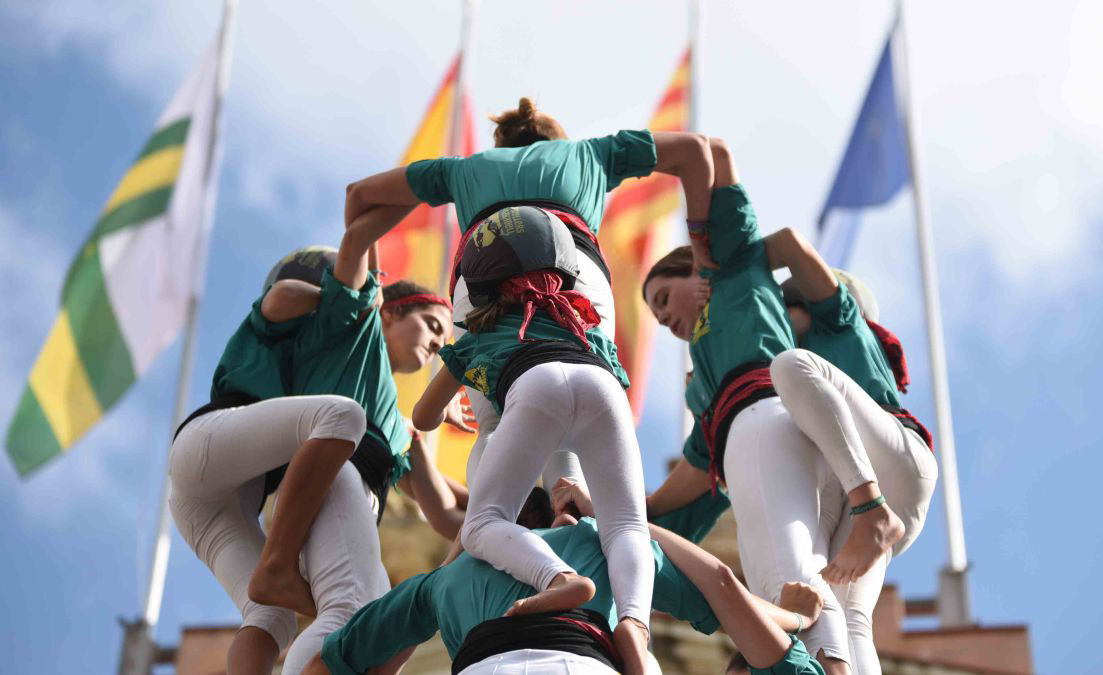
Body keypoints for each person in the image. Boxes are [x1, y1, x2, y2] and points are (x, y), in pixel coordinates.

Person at [343, 97, 716, 492]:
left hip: (481, 279)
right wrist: (703, 250)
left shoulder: (463, 169)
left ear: (503, 145)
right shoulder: (592, 153)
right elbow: (695, 150)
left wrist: (373, 291)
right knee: (574, 410)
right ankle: (570, 509)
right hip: (573, 270)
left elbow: (358, 196)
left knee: (493, 423)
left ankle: (494, 525)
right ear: (556, 138)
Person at [411, 205, 655, 673]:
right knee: (626, 525)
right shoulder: (582, 321)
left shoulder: (478, 336)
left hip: (534, 385)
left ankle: (559, 578)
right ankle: (634, 623)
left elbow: (423, 417)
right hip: (600, 386)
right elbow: (609, 380)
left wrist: (452, 405)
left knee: (481, 524)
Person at [640, 140, 851, 674]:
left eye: (663, 299)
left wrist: (704, 244)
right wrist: (628, 509)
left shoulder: (731, 269)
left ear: (692, 270)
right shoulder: (703, 378)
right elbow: (695, 469)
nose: (662, 319)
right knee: (767, 578)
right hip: (743, 442)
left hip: (767, 416)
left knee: (789, 569)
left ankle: (832, 666)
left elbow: (717, 155)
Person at [254, 219, 473, 673]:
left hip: (354, 505)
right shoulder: (358, 334)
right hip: (325, 485)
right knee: (348, 611)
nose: (436, 343)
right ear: (389, 313)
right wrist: (384, 206)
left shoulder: (398, 430)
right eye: (432, 325)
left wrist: (521, 513)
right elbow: (362, 247)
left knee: (376, 627)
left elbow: (444, 508)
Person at [303, 488, 827, 675]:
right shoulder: (603, 544)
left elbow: (328, 665)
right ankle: (636, 635)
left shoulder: (439, 584)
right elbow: (720, 588)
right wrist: (801, 614)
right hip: (581, 657)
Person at [168, 245, 367, 675]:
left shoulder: (310, 354)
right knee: (342, 415)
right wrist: (337, 297)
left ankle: (275, 574)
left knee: (270, 618)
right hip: (208, 443)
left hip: (211, 503)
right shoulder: (272, 312)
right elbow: (283, 296)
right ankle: (278, 564)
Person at [767, 265, 938, 675]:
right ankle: (871, 510)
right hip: (867, 493)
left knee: (791, 366)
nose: (777, 325)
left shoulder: (840, 321)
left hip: (893, 465)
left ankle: (872, 508)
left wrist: (734, 263)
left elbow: (794, 248)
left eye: (783, 310)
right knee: (847, 618)